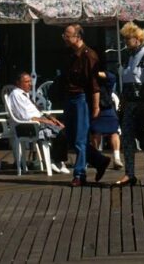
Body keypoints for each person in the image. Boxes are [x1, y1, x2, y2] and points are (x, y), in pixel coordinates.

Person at [55, 24, 111, 187]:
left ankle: (79, 174)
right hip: (69, 98)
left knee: (80, 138)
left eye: (67, 35)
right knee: (71, 137)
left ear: (78, 37)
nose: (64, 38)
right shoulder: (70, 54)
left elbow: (94, 84)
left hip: (81, 99)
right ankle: (99, 160)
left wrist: (96, 107)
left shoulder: (89, 55)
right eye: (64, 35)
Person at [114, 21, 144, 188]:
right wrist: (123, 101)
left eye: (128, 38)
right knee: (127, 137)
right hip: (130, 104)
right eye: (124, 38)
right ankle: (130, 174)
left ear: (137, 38)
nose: (125, 41)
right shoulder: (130, 56)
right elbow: (127, 81)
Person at [6, 72, 70, 174]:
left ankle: (57, 160)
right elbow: (26, 117)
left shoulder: (25, 94)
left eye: (30, 81)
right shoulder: (16, 95)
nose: (30, 84)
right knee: (61, 131)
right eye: (26, 82)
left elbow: (37, 112)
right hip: (27, 125)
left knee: (63, 128)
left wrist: (51, 118)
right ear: (18, 83)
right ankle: (55, 161)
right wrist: (46, 121)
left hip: (37, 121)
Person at [90, 71, 123, 170]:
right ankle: (96, 157)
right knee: (95, 132)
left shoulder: (107, 82)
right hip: (93, 109)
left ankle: (116, 158)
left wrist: (96, 73)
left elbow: (112, 77)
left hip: (107, 107)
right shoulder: (88, 82)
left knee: (114, 132)